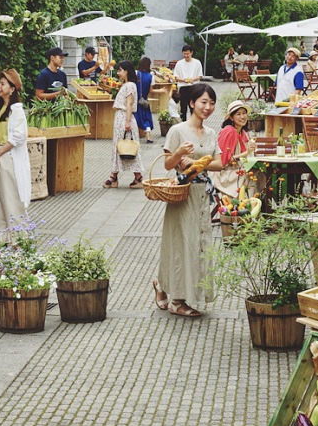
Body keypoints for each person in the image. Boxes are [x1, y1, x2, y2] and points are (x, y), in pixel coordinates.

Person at [150, 83, 219, 318]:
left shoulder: (210, 133)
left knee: (201, 244)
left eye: (211, 103)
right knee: (182, 245)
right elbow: (167, 164)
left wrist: (200, 163)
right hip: (183, 194)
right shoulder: (178, 130)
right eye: (203, 102)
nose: (207, 107)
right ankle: (177, 300)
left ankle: (162, 284)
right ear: (191, 103)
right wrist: (180, 153)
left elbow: (220, 163)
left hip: (203, 196)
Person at [0, 68, 32, 237]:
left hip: (5, 157)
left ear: (12, 89)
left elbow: (18, 136)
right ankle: (0, 238)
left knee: (10, 197)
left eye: (3, 84)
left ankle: (19, 238)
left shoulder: (16, 110)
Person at [104, 60, 144, 189]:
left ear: (126, 71)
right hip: (121, 118)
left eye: (120, 70)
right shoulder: (127, 84)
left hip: (124, 118)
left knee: (127, 148)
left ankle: (135, 177)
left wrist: (127, 122)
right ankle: (114, 176)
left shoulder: (130, 85)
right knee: (120, 147)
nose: (118, 73)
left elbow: (129, 104)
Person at [212, 99, 251, 200]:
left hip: (235, 171)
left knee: (258, 173)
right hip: (224, 175)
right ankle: (246, 207)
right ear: (231, 117)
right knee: (255, 177)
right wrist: (247, 153)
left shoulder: (242, 132)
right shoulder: (230, 131)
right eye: (238, 114)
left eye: (244, 113)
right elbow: (224, 161)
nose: (242, 117)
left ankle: (250, 206)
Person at [135, 56, 156, 142]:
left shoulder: (136, 73)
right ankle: (148, 137)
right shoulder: (151, 76)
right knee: (146, 118)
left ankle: (132, 137)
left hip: (135, 100)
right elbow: (151, 90)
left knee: (135, 117)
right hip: (144, 101)